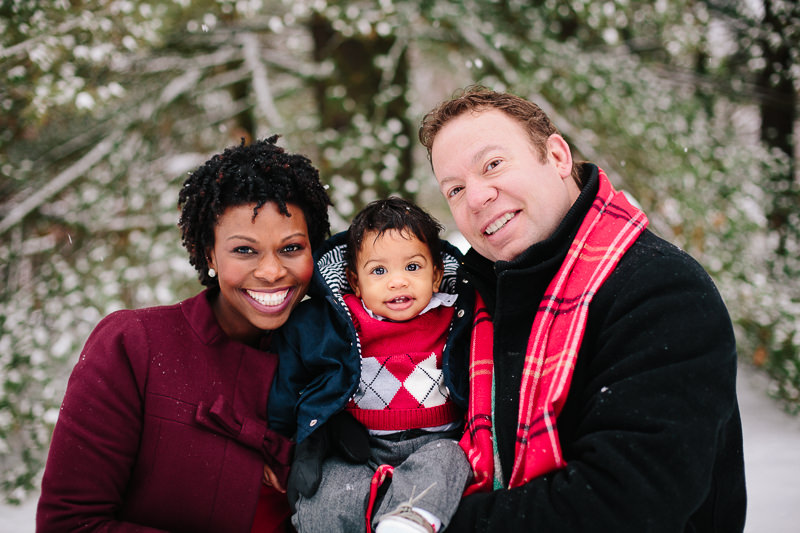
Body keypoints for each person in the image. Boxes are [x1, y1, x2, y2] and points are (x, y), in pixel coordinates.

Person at [417, 86, 747, 532]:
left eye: (492, 164)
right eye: (454, 189)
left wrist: (422, 524)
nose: (476, 198)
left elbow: (621, 507)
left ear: (557, 156)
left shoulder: (662, 292)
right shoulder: (473, 307)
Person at [36, 136, 332, 532]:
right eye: (244, 250)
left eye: (291, 248)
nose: (271, 271)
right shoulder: (134, 345)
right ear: (209, 253)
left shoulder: (336, 354)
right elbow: (68, 525)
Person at [268, 197, 473, 533]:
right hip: (360, 445)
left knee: (447, 464)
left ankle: (405, 524)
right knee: (328, 489)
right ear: (355, 281)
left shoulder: (453, 315)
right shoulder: (339, 321)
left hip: (436, 441)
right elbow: (291, 378)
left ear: (436, 276)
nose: (397, 281)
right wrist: (290, 437)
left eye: (412, 267)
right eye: (379, 271)